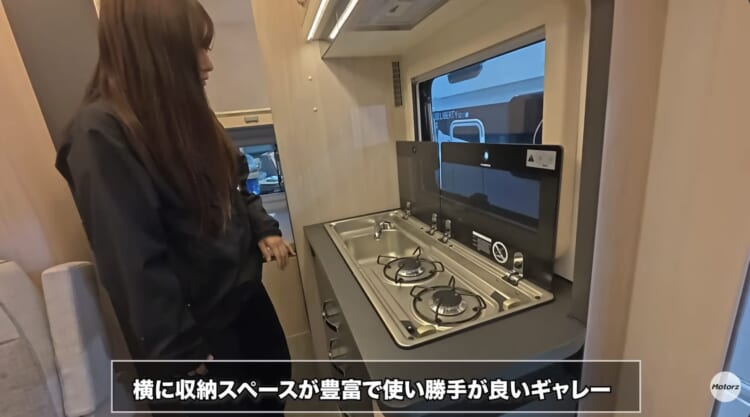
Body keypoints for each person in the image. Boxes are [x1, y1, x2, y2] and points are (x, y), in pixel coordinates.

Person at [55, 0, 293, 413]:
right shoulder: (101, 133)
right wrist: (180, 355)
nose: (208, 64)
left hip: (246, 304)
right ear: (152, 50)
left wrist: (263, 227)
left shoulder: (188, 116)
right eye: (194, 49)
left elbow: (233, 187)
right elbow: (133, 263)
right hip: (201, 339)